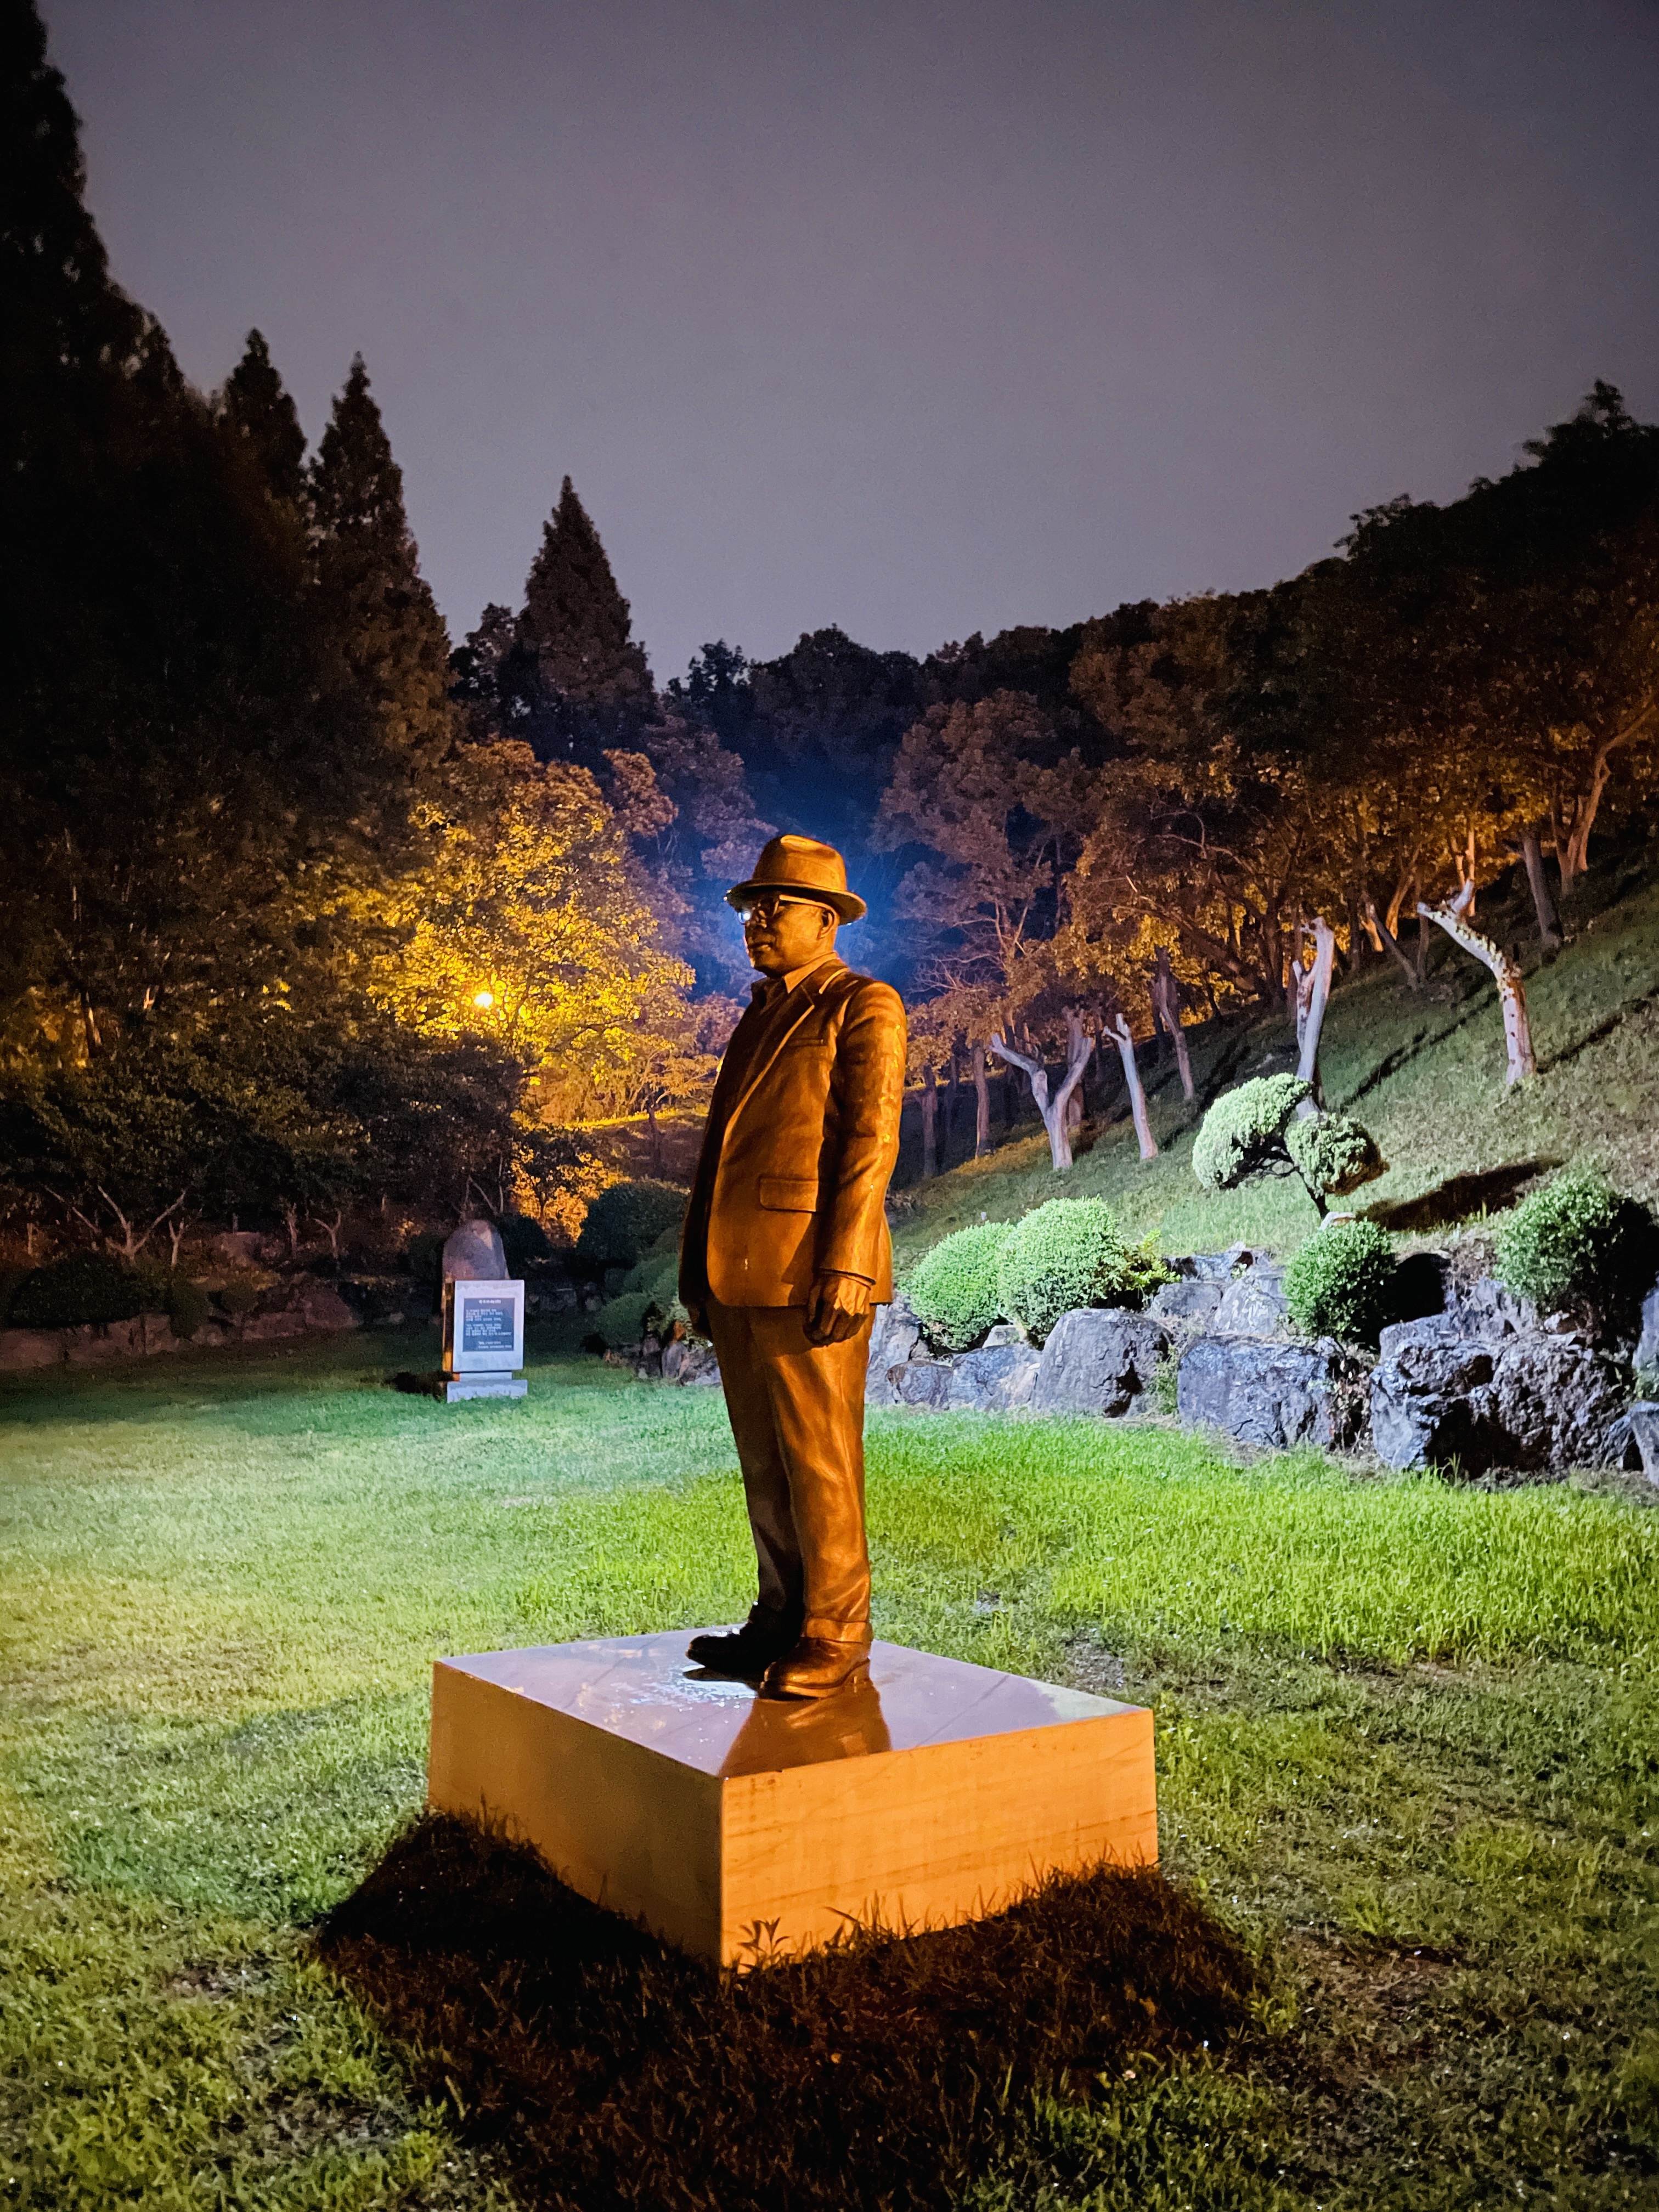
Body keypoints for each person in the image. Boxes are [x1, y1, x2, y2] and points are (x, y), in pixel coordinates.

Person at [679, 834, 906, 1699]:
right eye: (752, 908)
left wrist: (848, 1263)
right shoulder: (759, 1014)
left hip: (813, 1271)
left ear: (827, 921)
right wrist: (695, 1271)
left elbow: (870, 1143)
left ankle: (836, 1630)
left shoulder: (862, 1005)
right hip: (738, 1271)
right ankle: (780, 1614)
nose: (758, 920)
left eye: (777, 907)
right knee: (764, 1461)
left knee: (820, 1458)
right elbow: (720, 1154)